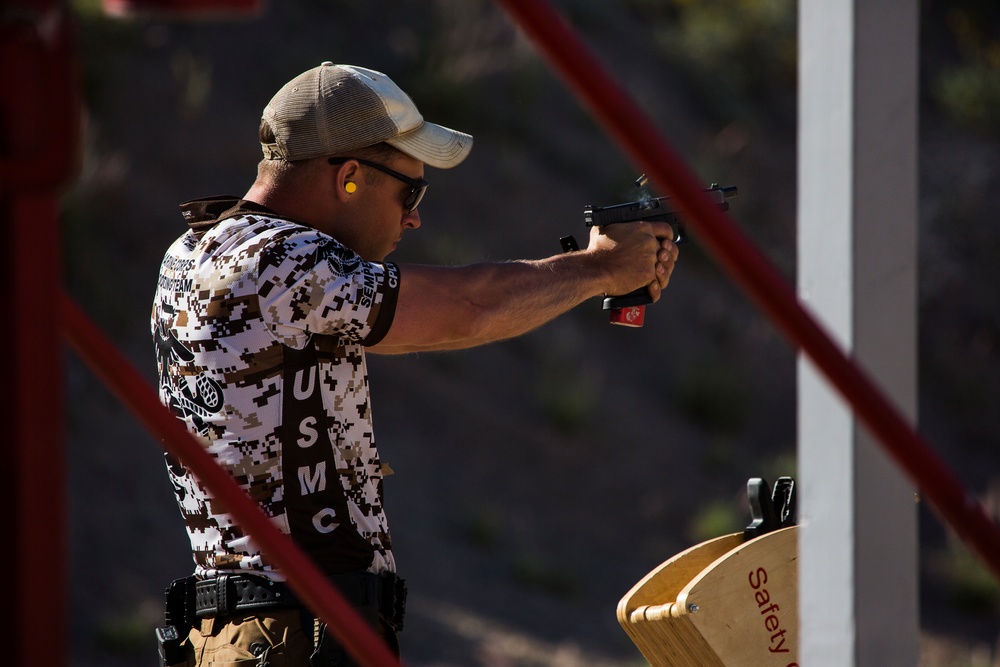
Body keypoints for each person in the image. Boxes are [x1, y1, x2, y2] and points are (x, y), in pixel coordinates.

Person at [152, 62, 679, 666]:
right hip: (296, 627)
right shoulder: (282, 259)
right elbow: (470, 308)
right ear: (349, 176)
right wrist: (600, 269)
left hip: (248, 625)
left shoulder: (197, 248)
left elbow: (424, 326)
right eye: (410, 192)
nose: (414, 217)